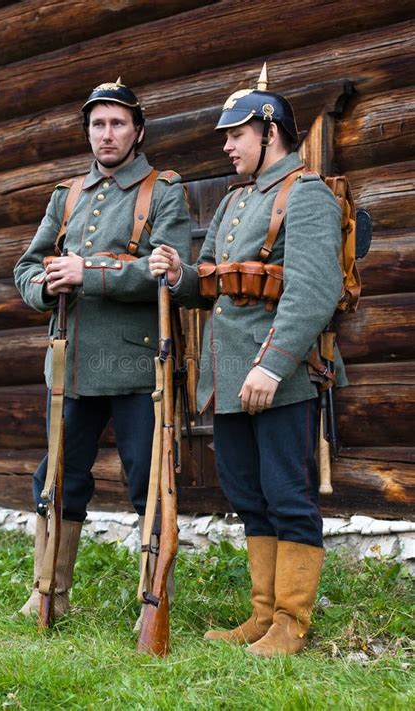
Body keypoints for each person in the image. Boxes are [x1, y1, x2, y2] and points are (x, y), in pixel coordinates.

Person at [149, 65, 346, 656]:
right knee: (248, 494)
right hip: (228, 378)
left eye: (235, 135)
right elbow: (207, 286)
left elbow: (315, 289)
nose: (227, 146)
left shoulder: (305, 194)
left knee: (288, 494)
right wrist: (178, 273)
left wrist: (273, 364)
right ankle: (263, 615)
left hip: (276, 377)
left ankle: (292, 622)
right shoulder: (238, 200)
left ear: (269, 132)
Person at [14, 79, 191, 620]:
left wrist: (86, 272)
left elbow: (169, 268)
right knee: (58, 476)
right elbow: (26, 268)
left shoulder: (164, 191)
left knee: (148, 479)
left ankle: (152, 599)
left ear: (137, 130)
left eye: (117, 123)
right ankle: (50, 590)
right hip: (71, 363)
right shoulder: (65, 196)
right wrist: (45, 286)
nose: (106, 133)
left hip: (137, 362)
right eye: (97, 124)